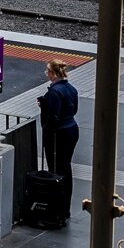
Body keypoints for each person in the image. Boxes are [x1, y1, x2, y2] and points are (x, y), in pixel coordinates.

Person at [37, 60, 80, 220]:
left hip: (58, 134)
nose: (46, 74)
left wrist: (44, 107)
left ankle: (57, 208)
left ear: (53, 74)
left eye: (47, 71)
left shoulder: (54, 92)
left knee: (56, 168)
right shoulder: (71, 89)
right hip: (72, 129)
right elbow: (74, 109)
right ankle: (65, 207)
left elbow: (53, 117)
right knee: (66, 166)